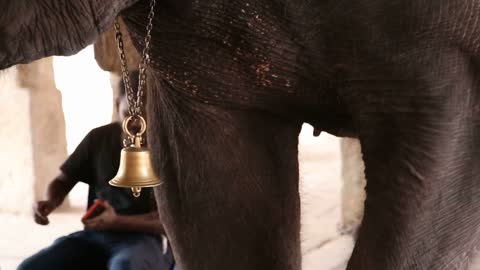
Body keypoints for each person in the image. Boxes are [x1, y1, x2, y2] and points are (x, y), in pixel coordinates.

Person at [18, 71, 175, 270]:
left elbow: (168, 222)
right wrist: (50, 202)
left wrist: (116, 222)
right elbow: (63, 181)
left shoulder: (170, 150)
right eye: (128, 114)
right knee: (31, 267)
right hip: (94, 237)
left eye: (144, 115)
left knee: (123, 266)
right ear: (117, 105)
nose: (135, 124)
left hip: (146, 241)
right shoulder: (98, 138)